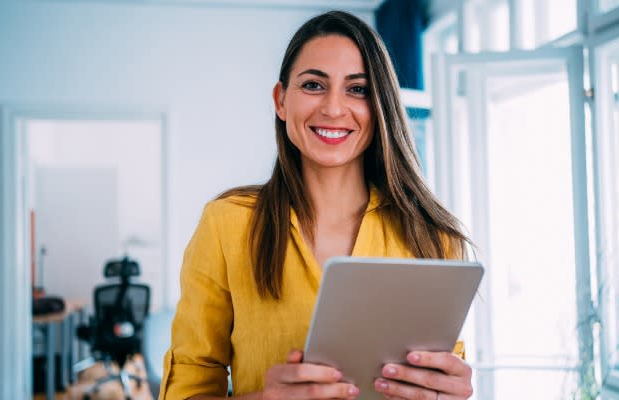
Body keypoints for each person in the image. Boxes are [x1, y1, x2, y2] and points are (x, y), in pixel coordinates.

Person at [160, 10, 474, 400]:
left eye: (357, 89)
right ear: (280, 101)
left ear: (380, 108)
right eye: (313, 85)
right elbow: (186, 389)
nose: (333, 108)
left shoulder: (432, 238)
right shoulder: (227, 225)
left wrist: (448, 392)